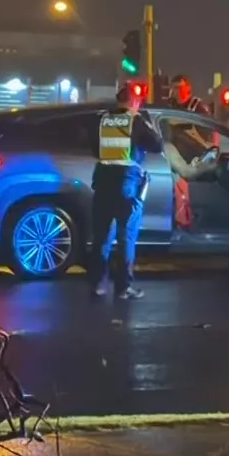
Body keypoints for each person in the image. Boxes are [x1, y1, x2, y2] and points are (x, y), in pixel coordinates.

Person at [89, 83, 164, 299]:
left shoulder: (102, 120)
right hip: (127, 182)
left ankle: (98, 284)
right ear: (134, 102)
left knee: (101, 235)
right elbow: (157, 145)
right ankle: (123, 287)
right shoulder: (136, 120)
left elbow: (95, 147)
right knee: (126, 236)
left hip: (103, 179)